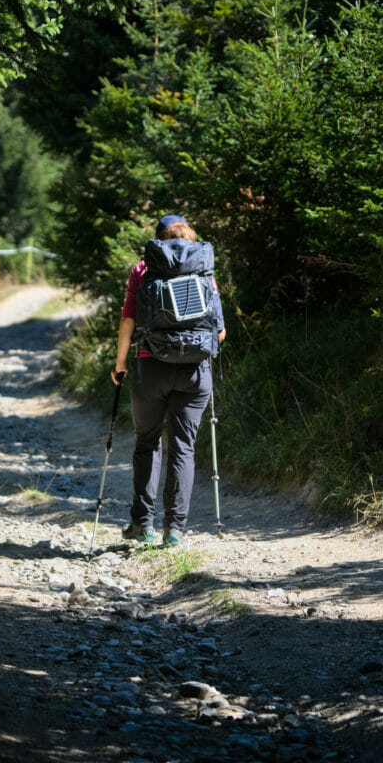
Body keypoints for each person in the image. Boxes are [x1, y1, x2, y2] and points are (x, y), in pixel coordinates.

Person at [111, 214, 226, 546]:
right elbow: (219, 333)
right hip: (194, 372)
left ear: (158, 239)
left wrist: (120, 363)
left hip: (150, 367)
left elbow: (128, 319)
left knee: (147, 444)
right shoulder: (204, 269)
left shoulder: (143, 270)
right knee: (183, 450)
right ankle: (174, 530)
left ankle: (143, 526)